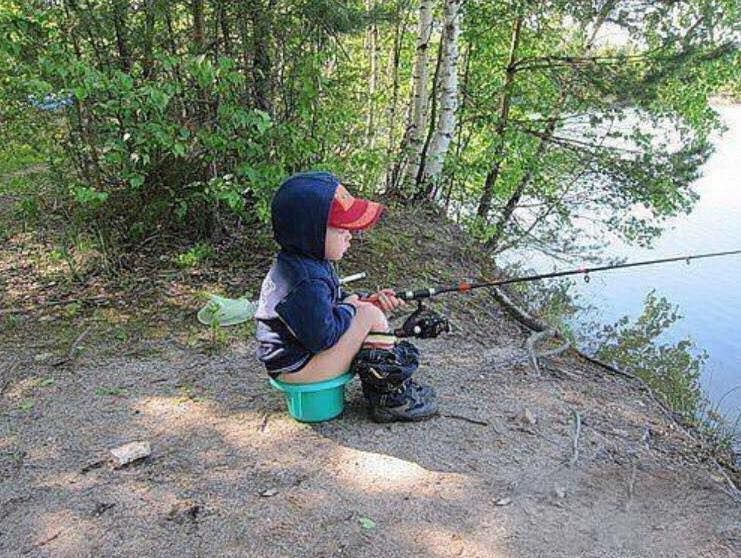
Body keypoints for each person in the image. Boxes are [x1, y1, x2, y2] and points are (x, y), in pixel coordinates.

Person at [254, 171, 438, 422]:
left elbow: (331, 303)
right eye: (342, 230)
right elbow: (324, 337)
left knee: (369, 311)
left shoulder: (306, 263)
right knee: (370, 315)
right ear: (311, 233)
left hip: (299, 362)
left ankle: (385, 389)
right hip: (297, 370)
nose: (350, 235)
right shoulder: (305, 281)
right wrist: (354, 308)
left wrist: (364, 299)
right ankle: (390, 399)